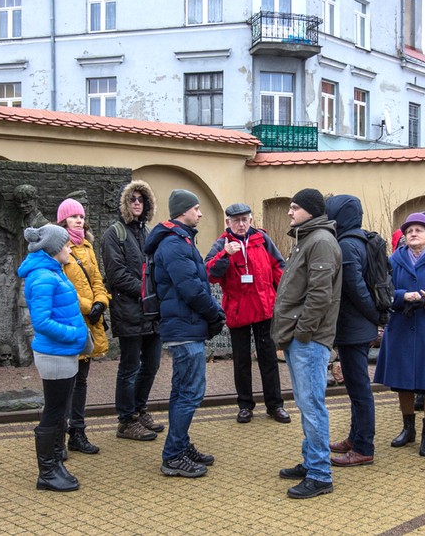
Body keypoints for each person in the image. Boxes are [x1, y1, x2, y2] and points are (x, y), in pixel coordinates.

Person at [145, 189, 226, 478]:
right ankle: (174, 455)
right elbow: (192, 289)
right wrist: (215, 313)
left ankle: (180, 445)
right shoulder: (174, 245)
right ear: (183, 211)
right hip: (185, 329)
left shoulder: (179, 241)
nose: (201, 213)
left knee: (182, 392)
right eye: (196, 208)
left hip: (184, 327)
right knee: (190, 393)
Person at [272, 188, 342, 499]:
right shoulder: (307, 239)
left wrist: (302, 332)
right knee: (306, 403)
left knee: (312, 405)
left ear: (311, 210)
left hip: (310, 340)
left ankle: (320, 475)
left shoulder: (321, 241)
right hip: (301, 337)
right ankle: (311, 461)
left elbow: (319, 295)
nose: (289, 212)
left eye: (295, 207)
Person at [373, 213, 425, 457]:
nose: (413, 234)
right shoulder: (394, 260)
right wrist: (403, 296)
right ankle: (408, 429)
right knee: (403, 383)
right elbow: (385, 294)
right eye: (409, 230)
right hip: (400, 329)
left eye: (419, 230)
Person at [17, 224, 88, 492]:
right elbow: (42, 322)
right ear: (55, 249)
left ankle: (56, 464)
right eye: (67, 245)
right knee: (54, 412)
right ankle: (47, 472)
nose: (70, 249)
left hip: (63, 353)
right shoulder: (43, 276)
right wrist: (75, 335)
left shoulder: (52, 271)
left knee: (59, 412)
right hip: (55, 354)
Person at [205, 203, 290, 424]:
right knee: (241, 361)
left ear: (250, 220)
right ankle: (245, 406)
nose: (241, 224)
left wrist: (282, 297)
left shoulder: (262, 239)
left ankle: (275, 405)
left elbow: (278, 266)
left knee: (268, 358)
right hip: (238, 310)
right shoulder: (221, 244)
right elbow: (210, 274)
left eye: (244, 220)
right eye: (236, 221)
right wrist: (225, 254)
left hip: (264, 307)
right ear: (228, 223)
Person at [101, 180, 165, 442]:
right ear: (124, 203)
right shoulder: (113, 234)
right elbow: (116, 275)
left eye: (141, 199)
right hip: (129, 310)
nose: (137, 203)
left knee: (151, 364)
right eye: (132, 199)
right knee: (130, 367)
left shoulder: (148, 232)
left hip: (151, 311)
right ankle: (126, 420)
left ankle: (139, 410)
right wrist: (146, 291)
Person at [325, 195, 379, 467]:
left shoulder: (346, 244)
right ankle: (355, 437)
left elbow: (355, 288)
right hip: (357, 326)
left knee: (359, 390)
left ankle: (363, 447)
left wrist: (373, 316)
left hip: (353, 328)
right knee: (357, 389)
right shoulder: (359, 239)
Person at [57, 198, 110, 455]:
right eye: (73, 216)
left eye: (81, 216)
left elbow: (97, 280)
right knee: (65, 382)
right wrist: (90, 306)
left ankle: (77, 432)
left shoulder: (88, 247)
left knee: (81, 381)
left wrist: (101, 302)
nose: (78, 220)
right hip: (70, 320)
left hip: (89, 322)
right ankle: (59, 435)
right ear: (63, 221)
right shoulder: (58, 248)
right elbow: (63, 288)